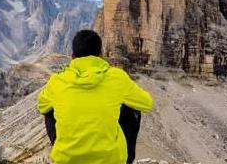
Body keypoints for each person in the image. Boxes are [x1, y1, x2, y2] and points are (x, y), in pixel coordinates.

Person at [38, 30, 153, 164]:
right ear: (101, 55)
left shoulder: (57, 81)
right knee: (132, 107)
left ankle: (65, 151)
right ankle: (125, 159)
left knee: (48, 108)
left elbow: (41, 106)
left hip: (66, 160)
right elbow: (147, 103)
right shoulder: (117, 77)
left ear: (73, 56)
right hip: (111, 160)